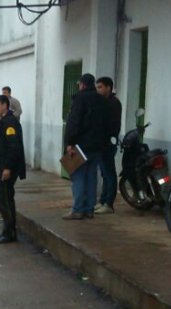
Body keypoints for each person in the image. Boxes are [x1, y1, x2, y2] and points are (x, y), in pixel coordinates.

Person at [63, 73, 109, 220]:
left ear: (82, 84)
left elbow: (74, 122)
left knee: (78, 176)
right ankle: (89, 209)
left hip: (81, 145)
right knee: (91, 177)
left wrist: (69, 142)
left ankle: (77, 209)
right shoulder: (101, 100)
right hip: (97, 146)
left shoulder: (79, 99)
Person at [0, 95, 26, 244]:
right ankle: (8, 231)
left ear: (5, 106)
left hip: (6, 169)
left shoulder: (9, 123)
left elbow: (13, 147)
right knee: (5, 200)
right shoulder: (2, 121)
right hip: (0, 167)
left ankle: (9, 233)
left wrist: (8, 168)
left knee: (5, 201)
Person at [94, 76, 123, 214]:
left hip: (107, 143)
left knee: (109, 173)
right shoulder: (104, 102)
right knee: (104, 174)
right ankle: (103, 200)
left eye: (100, 87)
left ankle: (109, 203)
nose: (98, 90)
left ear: (108, 88)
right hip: (102, 143)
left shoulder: (113, 103)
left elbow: (109, 125)